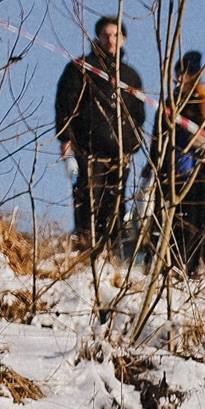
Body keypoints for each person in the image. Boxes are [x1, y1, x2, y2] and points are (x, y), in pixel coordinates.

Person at [52, 15, 144, 253]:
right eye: (106, 35)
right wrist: (65, 138)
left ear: (123, 40)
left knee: (115, 206)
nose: (111, 40)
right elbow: (65, 104)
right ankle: (86, 253)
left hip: (119, 153)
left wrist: (133, 143)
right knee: (88, 202)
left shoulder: (131, 76)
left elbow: (138, 115)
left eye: (115, 36)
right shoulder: (81, 68)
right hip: (88, 148)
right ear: (98, 38)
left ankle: (111, 253)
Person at [153, 49, 205, 271]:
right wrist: (157, 164)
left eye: (184, 73)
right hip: (173, 170)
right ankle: (168, 264)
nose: (180, 77)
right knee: (172, 221)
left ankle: (195, 266)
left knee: (199, 222)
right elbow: (158, 135)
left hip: (202, 173)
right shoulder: (170, 102)